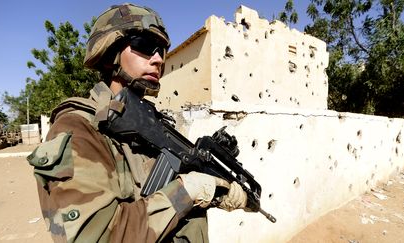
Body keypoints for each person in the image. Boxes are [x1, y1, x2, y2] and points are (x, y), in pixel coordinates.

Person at [27, 3, 247, 243]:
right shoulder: (79, 128)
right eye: (144, 46)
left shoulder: (154, 125)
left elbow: (164, 200)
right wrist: (188, 191)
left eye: (162, 51)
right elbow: (97, 236)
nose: (158, 59)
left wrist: (216, 191)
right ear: (110, 52)